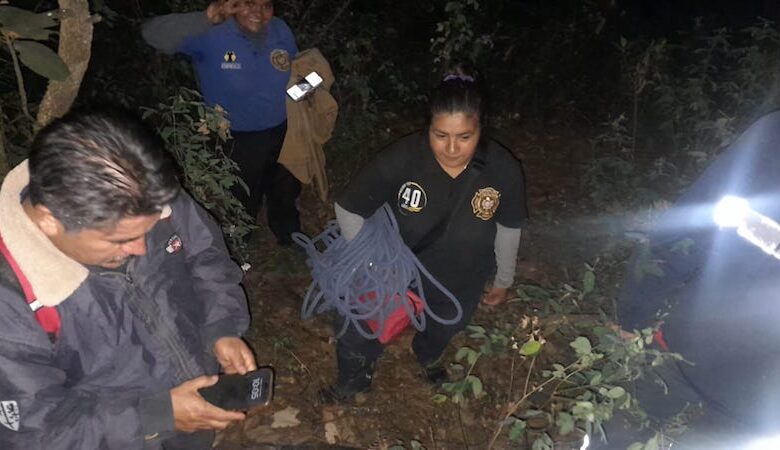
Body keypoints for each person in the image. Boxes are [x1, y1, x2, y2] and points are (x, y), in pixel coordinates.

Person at [0, 110, 256, 449]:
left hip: (191, 410)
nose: (140, 248)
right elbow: (34, 432)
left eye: (148, 232)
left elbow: (205, 256)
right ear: (50, 220)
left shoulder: (144, 195)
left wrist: (220, 327)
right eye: (119, 240)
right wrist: (155, 416)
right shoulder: (11, 297)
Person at [323, 72, 528, 401]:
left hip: (461, 276)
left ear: (481, 129)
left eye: (464, 137)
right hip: (397, 270)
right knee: (361, 326)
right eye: (439, 135)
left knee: (445, 324)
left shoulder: (502, 168)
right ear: (427, 128)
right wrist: (374, 263)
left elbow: (508, 227)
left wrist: (504, 278)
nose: (450, 148)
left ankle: (428, 355)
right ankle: (353, 381)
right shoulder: (404, 156)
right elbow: (348, 208)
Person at [609, 111, 780, 448]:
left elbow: (684, 230)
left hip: (744, 385)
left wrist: (635, 310)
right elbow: (691, 225)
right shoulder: (772, 136)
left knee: (616, 432)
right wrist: (635, 310)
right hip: (699, 352)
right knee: (615, 432)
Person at [142, 0, 302, 246]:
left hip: (283, 127)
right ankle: (240, 244)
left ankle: (289, 235)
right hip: (235, 136)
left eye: (266, 5)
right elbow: (151, 33)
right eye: (249, 3)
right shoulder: (211, 34)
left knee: (285, 186)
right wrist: (205, 17)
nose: (258, 13)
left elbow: (295, 71)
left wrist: (309, 87)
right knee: (242, 196)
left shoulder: (280, 30)